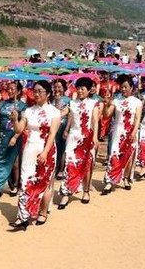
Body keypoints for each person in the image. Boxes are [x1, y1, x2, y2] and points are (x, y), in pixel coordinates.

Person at [9, 80, 60, 229]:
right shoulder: (28, 111)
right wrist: (14, 119)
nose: (36, 94)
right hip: (29, 148)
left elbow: (52, 134)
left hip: (46, 149)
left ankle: (43, 212)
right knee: (25, 181)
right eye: (34, 91)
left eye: (40, 91)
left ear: (48, 93)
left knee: (43, 182)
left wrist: (44, 152)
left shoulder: (54, 112)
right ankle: (23, 216)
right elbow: (19, 130)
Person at [58, 77, 100, 208]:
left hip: (87, 137)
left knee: (86, 165)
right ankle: (66, 192)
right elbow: (63, 114)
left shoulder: (94, 103)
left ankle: (86, 192)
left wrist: (95, 137)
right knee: (69, 164)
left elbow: (95, 121)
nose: (80, 91)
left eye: (83, 89)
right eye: (78, 88)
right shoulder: (72, 103)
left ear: (88, 90)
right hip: (73, 137)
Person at [100, 75, 142, 194]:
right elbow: (107, 115)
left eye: (125, 87)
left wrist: (134, 132)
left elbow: (138, 118)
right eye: (121, 87)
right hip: (118, 131)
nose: (123, 89)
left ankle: (126, 178)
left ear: (131, 88)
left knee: (128, 156)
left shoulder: (137, 102)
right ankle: (110, 181)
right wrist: (106, 105)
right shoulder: (116, 100)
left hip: (130, 132)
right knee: (114, 154)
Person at [0, 80, 27, 200]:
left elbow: (23, 124)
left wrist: (15, 137)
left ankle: (15, 185)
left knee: (14, 163)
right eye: (8, 89)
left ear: (18, 91)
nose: (10, 91)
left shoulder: (22, 106)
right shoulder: (2, 103)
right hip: (2, 136)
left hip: (15, 136)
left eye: (13, 89)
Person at [52, 79, 71, 179]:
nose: (57, 89)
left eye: (59, 87)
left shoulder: (68, 100)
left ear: (64, 88)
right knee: (53, 147)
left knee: (62, 148)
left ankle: (61, 169)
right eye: (55, 86)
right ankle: (53, 168)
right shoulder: (50, 99)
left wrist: (67, 129)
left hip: (63, 126)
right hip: (53, 127)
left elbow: (69, 115)